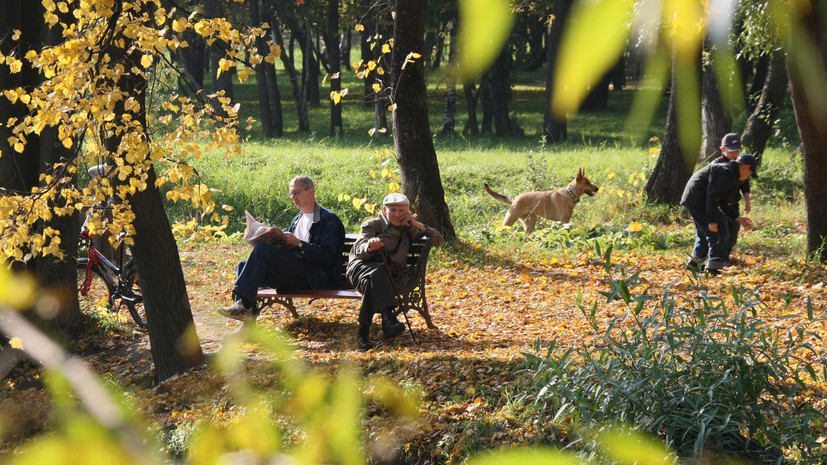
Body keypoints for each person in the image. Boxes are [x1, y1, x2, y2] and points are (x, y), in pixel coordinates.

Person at [220, 176, 345, 321]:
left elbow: (328, 257)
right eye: (291, 194)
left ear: (310, 192)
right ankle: (247, 319)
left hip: (315, 276)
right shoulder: (298, 219)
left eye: (296, 193)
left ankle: (243, 305)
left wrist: (300, 244)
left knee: (262, 250)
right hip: (293, 274)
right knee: (241, 265)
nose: (293, 197)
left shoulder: (328, 220)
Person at [346, 193, 445, 350]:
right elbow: (359, 252)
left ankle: (363, 332)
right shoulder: (372, 225)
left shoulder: (409, 229)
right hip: (361, 268)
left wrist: (418, 225)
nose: (397, 214)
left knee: (372, 280)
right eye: (392, 210)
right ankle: (388, 316)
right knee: (378, 271)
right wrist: (370, 246)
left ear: (408, 212)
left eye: (401, 211)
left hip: (383, 276)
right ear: (385, 210)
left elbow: (439, 240)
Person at [680, 154, 758, 275]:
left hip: (698, 199)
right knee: (713, 234)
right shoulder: (725, 172)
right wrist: (712, 221)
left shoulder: (731, 173)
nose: (746, 178)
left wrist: (738, 218)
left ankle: (694, 265)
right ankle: (712, 269)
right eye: (749, 174)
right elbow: (712, 197)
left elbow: (722, 202)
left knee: (705, 234)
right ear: (746, 168)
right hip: (696, 199)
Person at [712, 133, 752, 265]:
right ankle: (720, 259)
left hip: (734, 205)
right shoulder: (716, 165)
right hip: (721, 206)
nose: (735, 154)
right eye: (732, 151)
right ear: (723, 149)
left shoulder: (739, 165)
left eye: (737, 151)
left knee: (734, 232)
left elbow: (745, 184)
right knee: (723, 232)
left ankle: (726, 255)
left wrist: (747, 202)